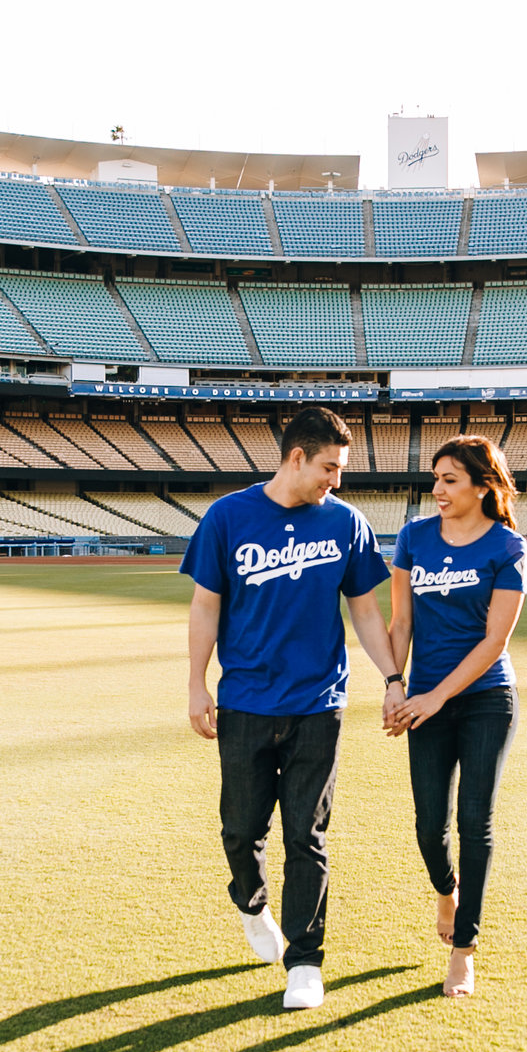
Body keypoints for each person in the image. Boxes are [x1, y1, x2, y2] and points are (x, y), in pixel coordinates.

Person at [182, 406, 400, 1011]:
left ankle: (305, 962)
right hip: (246, 700)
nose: (338, 480)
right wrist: (197, 685)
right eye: (330, 467)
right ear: (297, 457)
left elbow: (362, 609)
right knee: (241, 828)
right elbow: (205, 607)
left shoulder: (346, 524)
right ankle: (251, 904)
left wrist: (393, 677)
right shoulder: (228, 516)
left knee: (307, 834)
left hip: (317, 702)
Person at [386, 435, 527, 999]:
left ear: (483, 486)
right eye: (436, 479)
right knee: (428, 826)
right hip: (424, 698)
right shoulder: (414, 536)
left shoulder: (507, 545)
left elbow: (495, 641)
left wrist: (435, 696)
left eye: (450, 480)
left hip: (486, 698)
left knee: (476, 822)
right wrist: (396, 686)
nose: (438, 490)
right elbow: (401, 624)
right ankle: (447, 891)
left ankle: (464, 951)